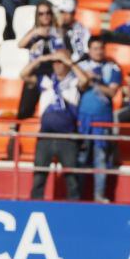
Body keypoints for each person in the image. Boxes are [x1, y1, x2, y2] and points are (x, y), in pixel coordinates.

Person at [23, 48, 88, 200]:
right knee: (39, 176)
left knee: (71, 178)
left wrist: (69, 62)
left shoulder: (74, 81)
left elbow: (85, 81)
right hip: (45, 136)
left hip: (67, 137)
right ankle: (35, 205)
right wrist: (40, 60)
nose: (57, 65)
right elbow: (23, 75)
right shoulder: (46, 80)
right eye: (55, 62)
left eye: (61, 62)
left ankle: (74, 208)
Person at [76, 36, 121, 203]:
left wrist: (96, 80)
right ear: (89, 50)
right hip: (83, 120)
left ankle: (99, 195)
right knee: (81, 158)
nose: (98, 51)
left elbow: (112, 92)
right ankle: (78, 196)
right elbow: (78, 87)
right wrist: (85, 78)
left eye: (101, 48)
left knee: (100, 158)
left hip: (103, 120)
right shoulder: (81, 67)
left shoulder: (112, 68)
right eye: (95, 48)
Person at [17, 1, 65, 119]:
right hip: (35, 72)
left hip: (53, 73)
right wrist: (35, 32)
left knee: (53, 110)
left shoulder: (58, 31)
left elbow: (62, 53)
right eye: (41, 14)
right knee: (25, 109)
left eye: (48, 13)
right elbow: (20, 44)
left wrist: (47, 57)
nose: (45, 16)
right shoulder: (34, 32)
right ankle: (17, 132)